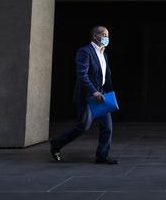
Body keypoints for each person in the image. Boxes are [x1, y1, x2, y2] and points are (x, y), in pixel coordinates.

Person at [49, 26, 117, 164]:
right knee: (83, 126)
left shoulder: (104, 54)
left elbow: (106, 75)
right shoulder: (85, 51)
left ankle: (101, 157)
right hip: (88, 95)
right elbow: (82, 74)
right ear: (94, 36)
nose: (106, 38)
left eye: (107, 35)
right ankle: (56, 143)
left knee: (107, 127)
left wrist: (109, 93)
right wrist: (94, 91)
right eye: (103, 34)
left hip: (101, 95)